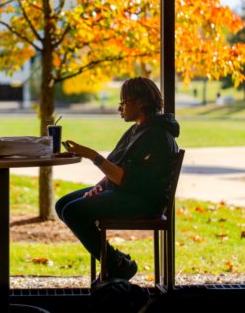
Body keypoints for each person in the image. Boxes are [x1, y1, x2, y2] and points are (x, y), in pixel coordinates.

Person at [56, 77, 180, 282]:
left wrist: (92, 155)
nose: (119, 108)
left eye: (123, 102)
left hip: (143, 201)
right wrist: (98, 187)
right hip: (128, 192)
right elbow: (118, 170)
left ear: (140, 102)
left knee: (73, 211)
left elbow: (127, 178)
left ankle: (116, 264)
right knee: (63, 204)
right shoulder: (138, 129)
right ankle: (115, 262)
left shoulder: (156, 135)